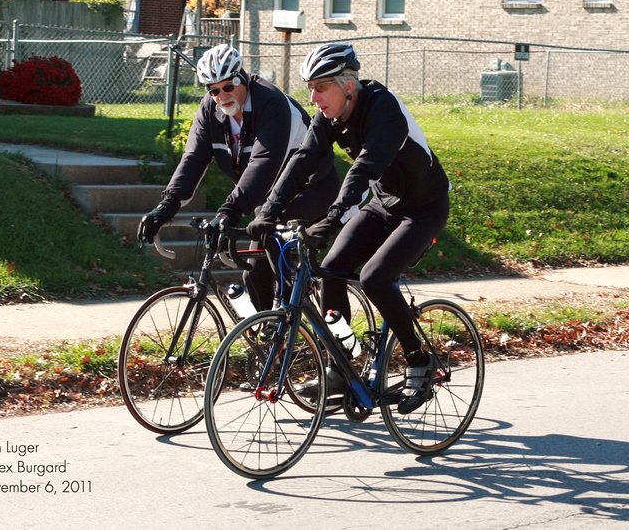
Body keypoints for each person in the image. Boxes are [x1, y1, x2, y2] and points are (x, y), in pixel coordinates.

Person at [247, 44, 451, 414]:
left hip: (423, 207)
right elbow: (303, 159)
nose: (313, 97)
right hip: (384, 201)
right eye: (310, 87)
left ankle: (419, 359)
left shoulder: (384, 111)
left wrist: (333, 216)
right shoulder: (329, 117)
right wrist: (268, 210)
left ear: (348, 84)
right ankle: (340, 364)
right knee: (331, 269)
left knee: (374, 278)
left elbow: (364, 168)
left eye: (321, 87)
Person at [137, 44, 339, 311]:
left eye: (228, 87)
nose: (221, 96)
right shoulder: (210, 111)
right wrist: (166, 207)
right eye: (214, 90)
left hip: (313, 187)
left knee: (270, 251)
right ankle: (272, 342)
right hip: (270, 197)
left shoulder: (271, 103)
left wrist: (229, 211)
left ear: (242, 78)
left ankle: (311, 328)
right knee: (254, 273)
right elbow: (194, 159)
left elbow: (264, 162)